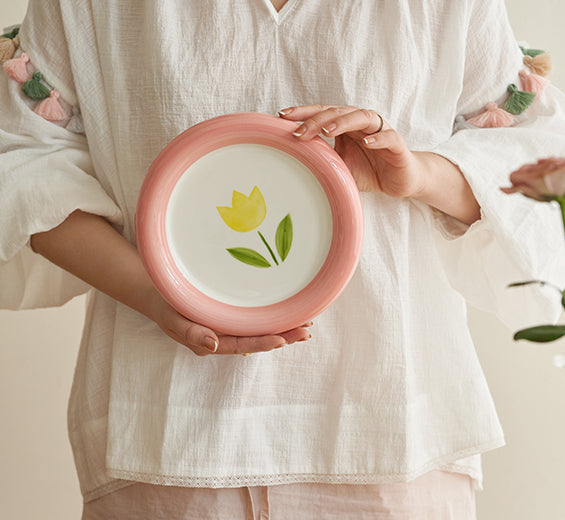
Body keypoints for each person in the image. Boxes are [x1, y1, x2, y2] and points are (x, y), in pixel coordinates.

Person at [1, 0, 564, 518]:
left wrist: (414, 173)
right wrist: (156, 293)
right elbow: (20, 158)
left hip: (393, 438)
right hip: (169, 440)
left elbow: (534, 164)